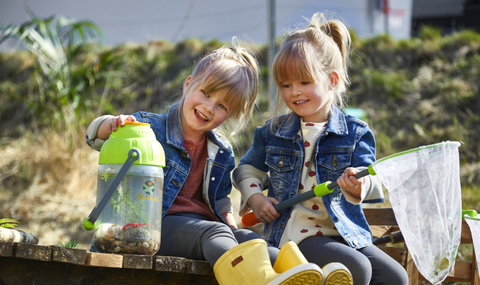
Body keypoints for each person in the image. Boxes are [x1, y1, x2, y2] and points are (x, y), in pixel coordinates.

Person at [85, 40, 337, 285]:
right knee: (214, 233)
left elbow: (220, 201)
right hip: (154, 227)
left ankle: (301, 274)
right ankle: (255, 282)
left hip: (200, 228)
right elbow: (94, 137)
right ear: (188, 85)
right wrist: (112, 125)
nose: (208, 107)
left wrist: (231, 226)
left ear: (229, 115)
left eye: (222, 106)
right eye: (205, 93)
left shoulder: (221, 151)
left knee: (248, 238)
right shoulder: (148, 128)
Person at [232, 12, 409, 285]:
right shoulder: (273, 132)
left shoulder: (355, 132)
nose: (294, 92)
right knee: (357, 270)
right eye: (286, 84)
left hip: (345, 234)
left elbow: (371, 177)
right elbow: (246, 169)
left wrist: (357, 186)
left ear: (333, 80)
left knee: (396, 277)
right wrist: (256, 199)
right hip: (297, 237)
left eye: (305, 82)